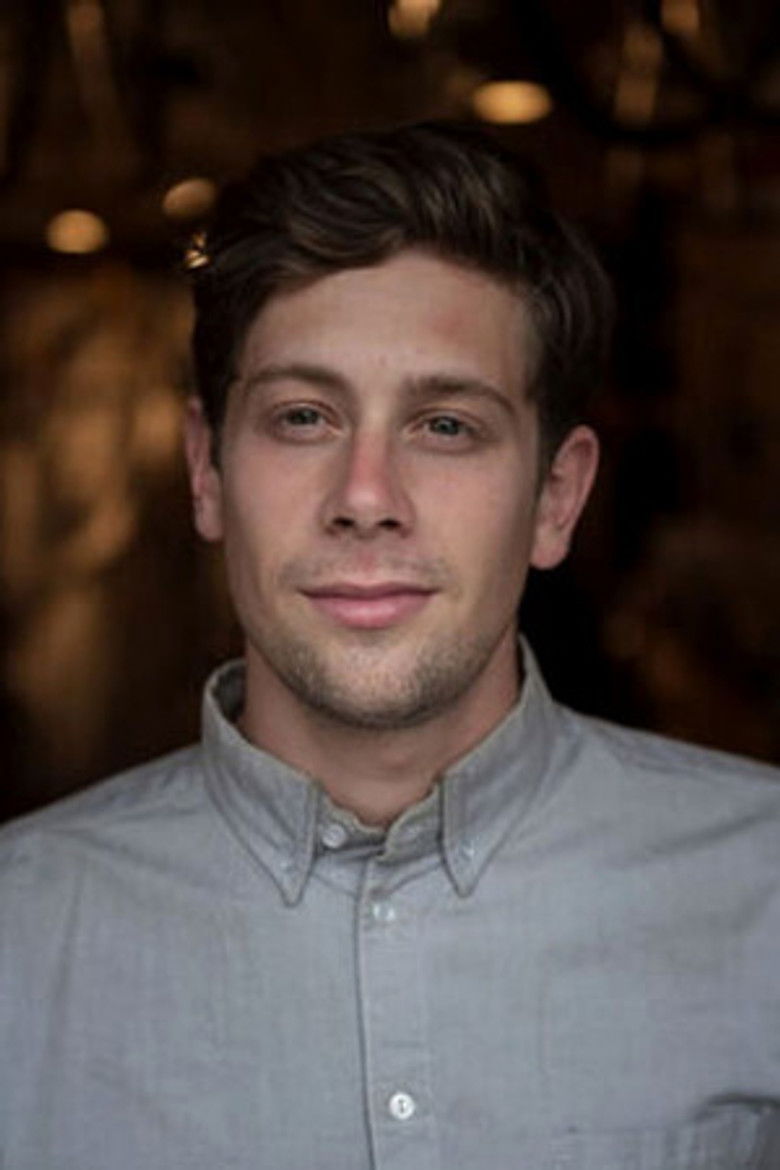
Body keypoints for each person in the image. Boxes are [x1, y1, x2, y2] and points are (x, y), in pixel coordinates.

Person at [1, 122, 779, 1170]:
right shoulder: (18, 936)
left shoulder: (764, 889)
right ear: (206, 471)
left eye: (446, 425)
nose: (366, 498)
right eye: (303, 417)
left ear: (557, 498)